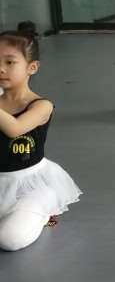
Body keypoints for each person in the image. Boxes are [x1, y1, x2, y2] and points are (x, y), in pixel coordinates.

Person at [0, 22, 82, 251]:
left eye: (9, 62)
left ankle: (44, 213)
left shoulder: (41, 106)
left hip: (29, 186)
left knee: (9, 240)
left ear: (32, 67)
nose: (1, 68)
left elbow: (15, 128)